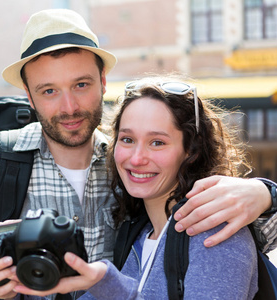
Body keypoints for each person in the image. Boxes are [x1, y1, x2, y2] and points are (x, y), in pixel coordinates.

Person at [0, 9, 277, 300]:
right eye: (49, 91)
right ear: (29, 96)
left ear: (103, 81)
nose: (68, 106)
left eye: (81, 85)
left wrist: (264, 194)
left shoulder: (129, 168)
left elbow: (232, 242)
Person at [14, 77, 259, 299]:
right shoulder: (136, 234)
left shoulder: (214, 233)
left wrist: (107, 282)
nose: (136, 158)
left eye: (157, 142)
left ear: (191, 151)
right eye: (128, 140)